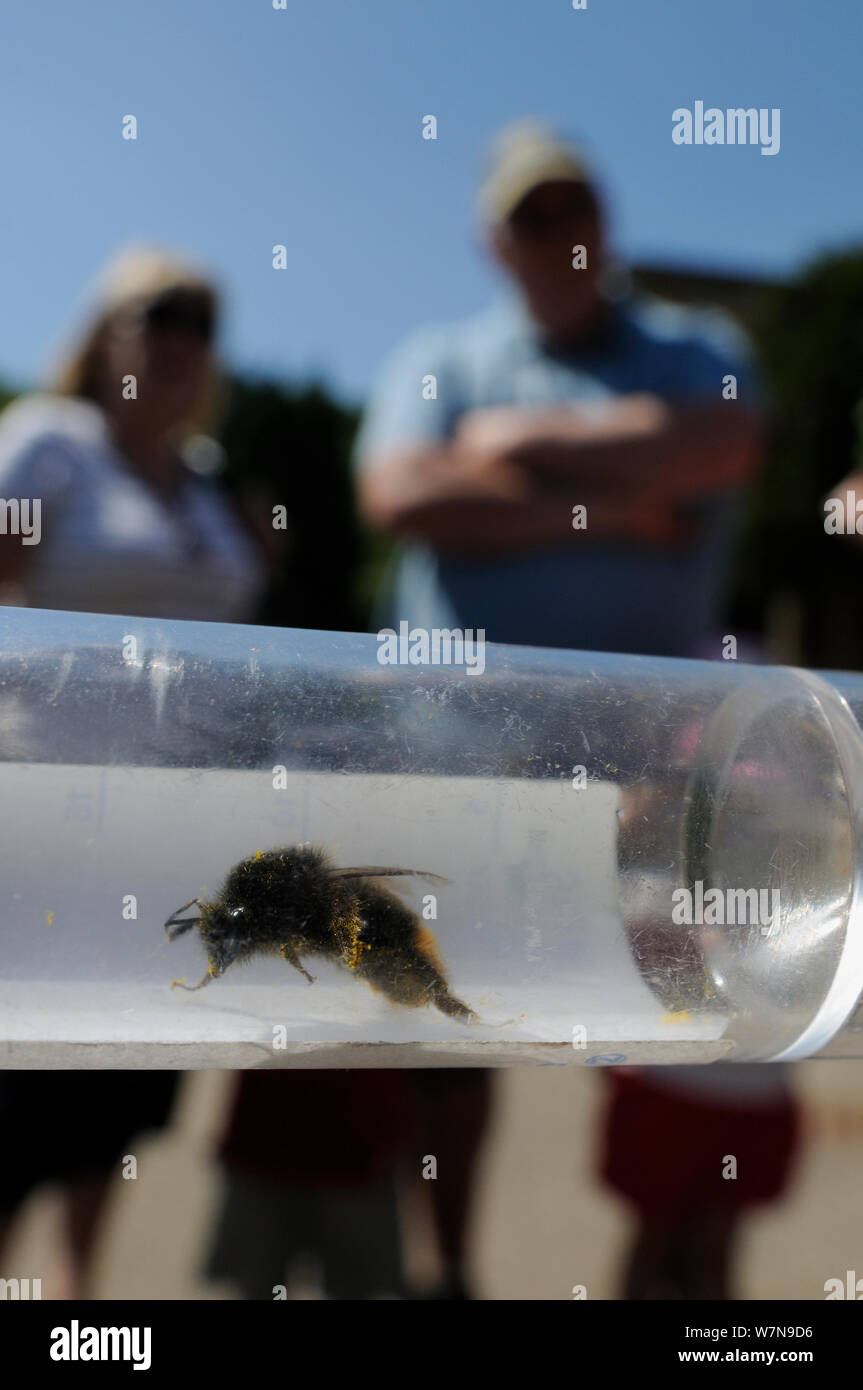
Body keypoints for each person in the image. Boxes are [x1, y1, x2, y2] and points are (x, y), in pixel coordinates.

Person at [0, 246, 268, 1298]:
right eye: (157, 312)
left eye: (200, 321)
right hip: (41, 828)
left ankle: (79, 1298)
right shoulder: (46, 445)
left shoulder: (203, 487)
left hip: (166, 837)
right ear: (104, 331)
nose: (177, 340)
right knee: (18, 1101)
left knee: (114, 1097)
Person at [354, 119, 764, 656]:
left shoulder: (699, 347)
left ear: (604, 215)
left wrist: (510, 441)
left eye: (574, 208)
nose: (559, 234)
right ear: (495, 244)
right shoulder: (437, 360)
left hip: (653, 730)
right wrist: (624, 511)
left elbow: (725, 445)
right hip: (453, 728)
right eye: (533, 219)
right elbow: (404, 492)